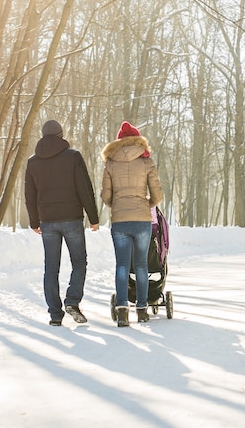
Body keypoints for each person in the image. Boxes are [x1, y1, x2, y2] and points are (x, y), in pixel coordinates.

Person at [25, 120, 99, 326]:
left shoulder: (33, 162)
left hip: (48, 222)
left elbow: (29, 195)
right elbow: (84, 188)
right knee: (79, 262)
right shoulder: (72, 157)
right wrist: (93, 217)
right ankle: (72, 301)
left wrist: (34, 221)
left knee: (51, 268)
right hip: (72, 219)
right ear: (61, 135)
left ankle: (55, 315)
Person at [101, 121, 163, 327]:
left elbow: (105, 196)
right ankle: (142, 310)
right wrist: (147, 204)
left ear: (119, 141)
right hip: (142, 219)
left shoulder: (110, 162)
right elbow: (157, 195)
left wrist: (117, 204)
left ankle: (121, 310)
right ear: (137, 140)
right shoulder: (146, 161)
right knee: (142, 265)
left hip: (120, 220)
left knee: (122, 265)